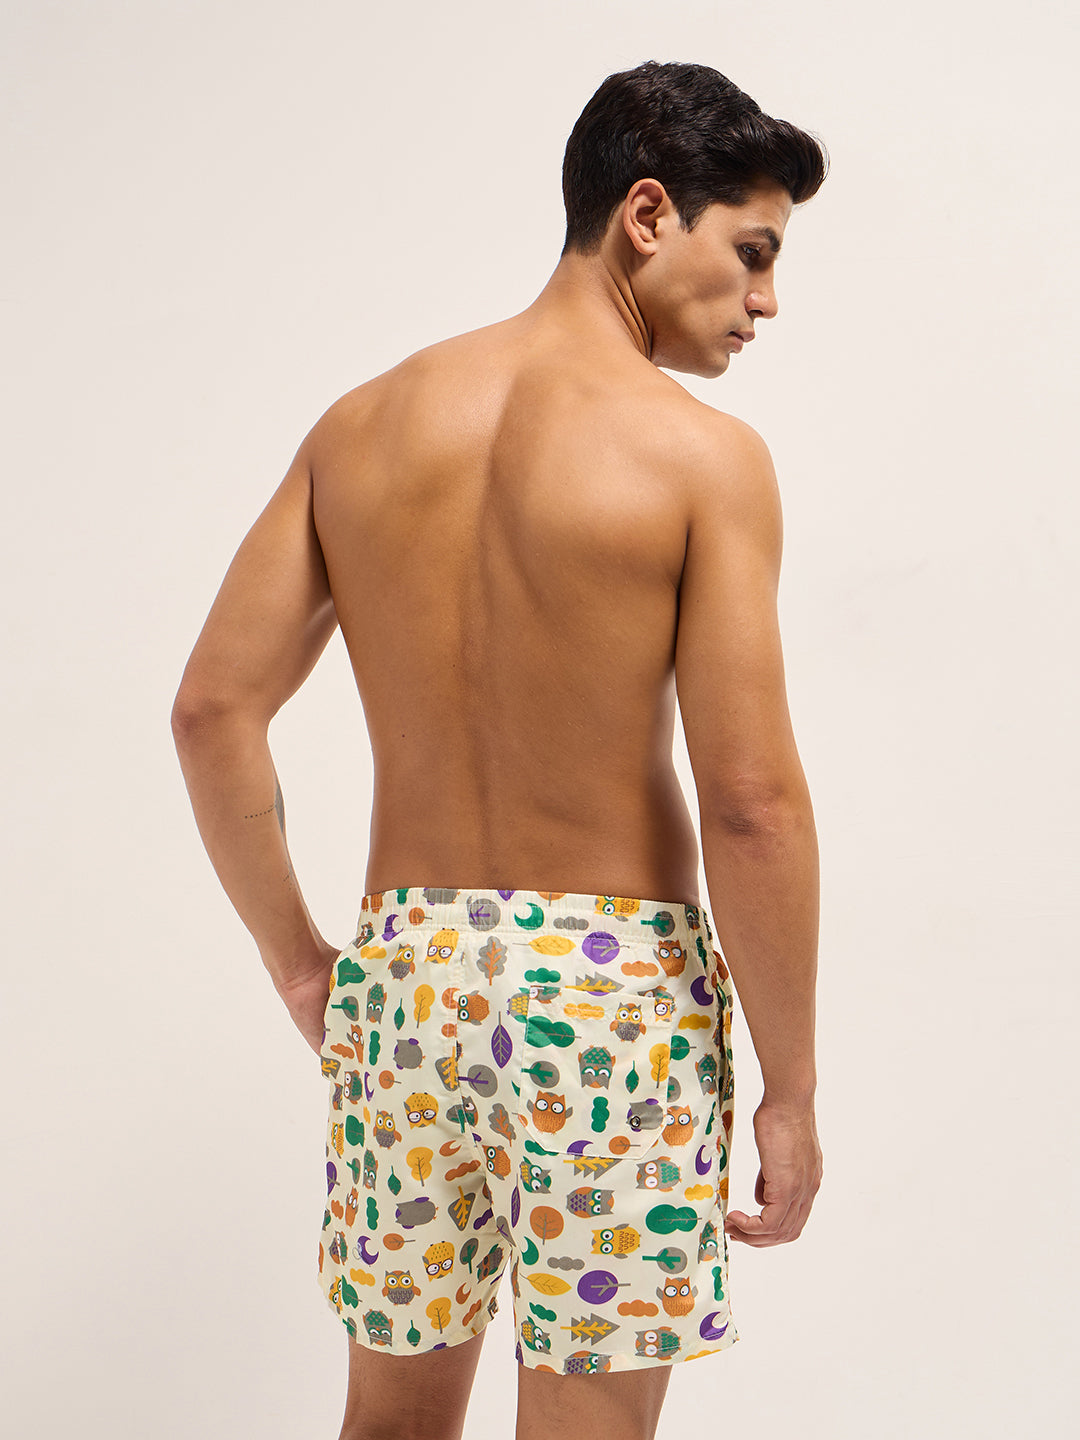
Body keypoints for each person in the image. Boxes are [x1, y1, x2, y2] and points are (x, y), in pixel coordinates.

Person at [172, 57, 826, 1440]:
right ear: (647, 215)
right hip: (612, 1000)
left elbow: (211, 710)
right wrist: (792, 1089)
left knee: (388, 1426)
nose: (767, 301)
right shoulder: (703, 459)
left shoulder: (363, 426)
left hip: (406, 979)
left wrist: (304, 965)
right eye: (754, 252)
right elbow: (751, 802)